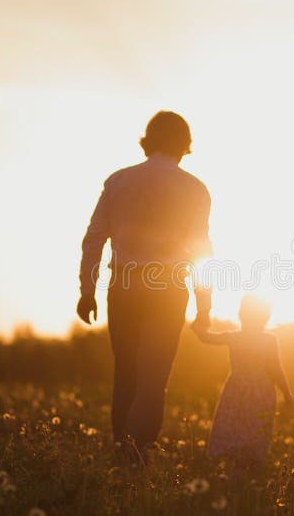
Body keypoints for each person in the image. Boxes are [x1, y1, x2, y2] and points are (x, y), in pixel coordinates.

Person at [76, 111, 213, 457]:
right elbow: (201, 251)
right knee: (155, 376)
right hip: (168, 289)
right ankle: (142, 449)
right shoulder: (195, 189)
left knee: (126, 370)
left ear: (147, 142)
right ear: (185, 146)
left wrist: (87, 290)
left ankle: (121, 442)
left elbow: (94, 239)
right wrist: (204, 305)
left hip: (124, 285)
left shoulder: (118, 182)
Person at [192, 294, 293, 468]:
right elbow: (276, 370)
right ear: (266, 317)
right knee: (255, 427)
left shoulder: (234, 337)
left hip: (236, 389)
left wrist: (199, 323)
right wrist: (286, 393)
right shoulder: (268, 340)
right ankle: (250, 462)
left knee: (232, 423)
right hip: (261, 391)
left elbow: (205, 337)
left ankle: (231, 461)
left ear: (241, 314)